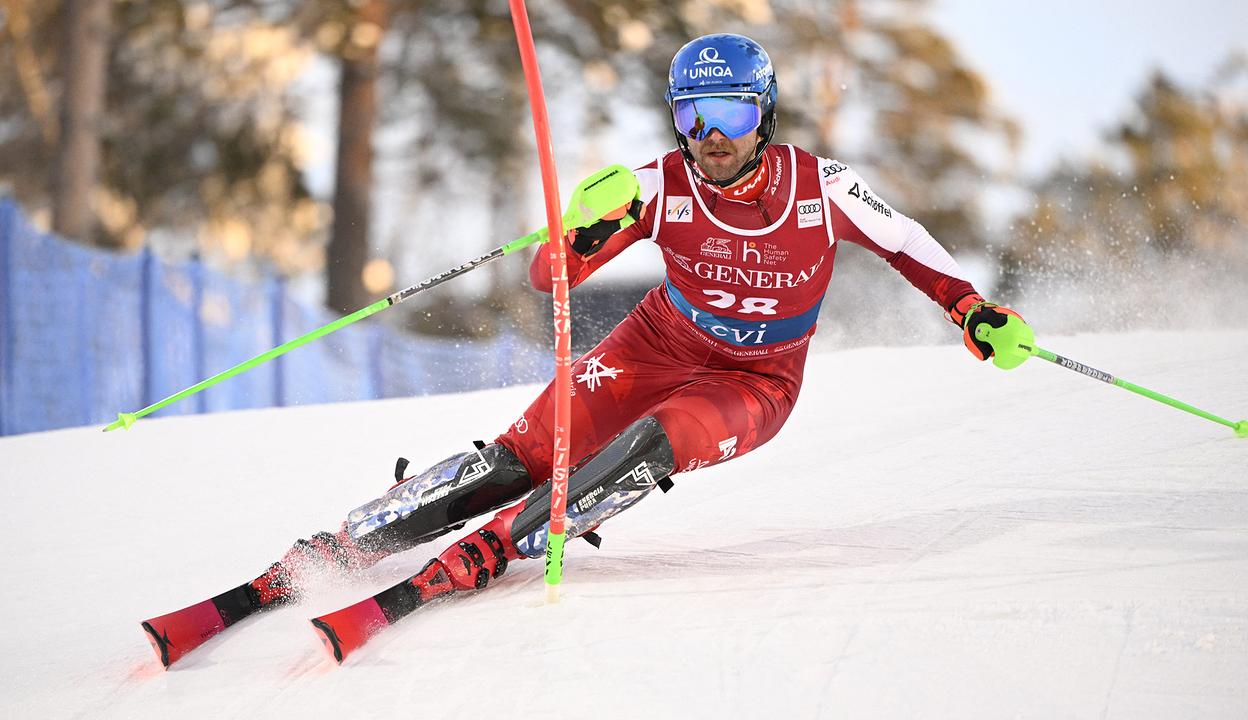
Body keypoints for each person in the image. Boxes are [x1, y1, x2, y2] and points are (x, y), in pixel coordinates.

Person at [150, 33, 1033, 653]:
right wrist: (582, 229)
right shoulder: (656, 184)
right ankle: (346, 543)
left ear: (762, 112)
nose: (710, 136)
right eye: (692, 116)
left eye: (727, 111)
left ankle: (503, 546)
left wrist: (970, 310)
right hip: (657, 340)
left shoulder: (822, 186)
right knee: (524, 453)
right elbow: (547, 279)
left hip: (757, 378)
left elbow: (909, 243)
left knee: (655, 445)